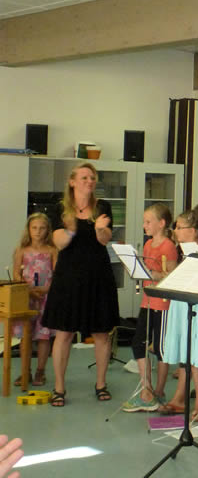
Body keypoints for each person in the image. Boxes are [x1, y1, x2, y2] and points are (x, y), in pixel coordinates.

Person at [41, 162, 120, 407]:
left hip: (98, 277)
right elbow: (59, 242)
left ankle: (101, 384)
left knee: (101, 333)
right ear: (72, 181)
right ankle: (59, 387)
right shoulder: (60, 208)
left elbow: (105, 239)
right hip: (68, 278)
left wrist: (100, 230)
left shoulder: (103, 207)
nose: (90, 181)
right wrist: (72, 229)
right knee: (64, 333)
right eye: (84, 177)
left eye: (92, 178)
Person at [123, 203, 178, 412]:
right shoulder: (147, 245)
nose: (144, 225)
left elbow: (171, 276)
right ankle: (147, 389)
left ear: (161, 223)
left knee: (162, 348)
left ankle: (159, 391)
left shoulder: (168, 246)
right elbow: (145, 271)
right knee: (138, 343)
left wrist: (153, 274)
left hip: (162, 303)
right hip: (147, 300)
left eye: (148, 221)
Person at [158, 210, 198, 421]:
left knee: (196, 355)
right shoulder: (186, 252)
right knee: (187, 354)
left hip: (195, 306)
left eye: (180, 227)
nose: (176, 231)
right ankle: (181, 399)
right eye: (176, 227)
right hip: (182, 304)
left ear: (194, 231)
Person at [11, 213, 57, 387]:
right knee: (26, 335)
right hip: (26, 297)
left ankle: (40, 371)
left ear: (48, 230)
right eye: (34, 228)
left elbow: (57, 274)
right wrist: (28, 290)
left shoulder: (52, 251)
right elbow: (16, 273)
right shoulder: (21, 250)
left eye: (42, 228)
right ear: (28, 230)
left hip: (46, 297)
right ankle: (25, 371)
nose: (38, 231)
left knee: (44, 336)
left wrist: (46, 289)